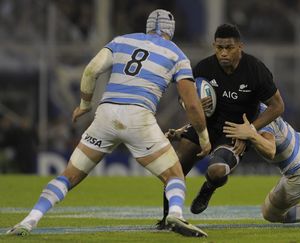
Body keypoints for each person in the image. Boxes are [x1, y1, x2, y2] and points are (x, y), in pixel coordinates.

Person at [7, 9, 210, 237]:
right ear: (171, 30)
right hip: (138, 118)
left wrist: (84, 105)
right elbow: (192, 105)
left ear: (148, 26)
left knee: (68, 176)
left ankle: (29, 220)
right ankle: (175, 214)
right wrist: (203, 137)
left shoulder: (121, 40)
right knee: (173, 176)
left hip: (105, 115)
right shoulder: (177, 54)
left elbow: (92, 70)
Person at [157, 23, 284, 228]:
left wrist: (249, 131)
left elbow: (277, 106)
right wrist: (193, 104)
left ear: (240, 47)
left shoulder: (255, 70)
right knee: (176, 169)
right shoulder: (204, 67)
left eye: (229, 48)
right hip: (205, 126)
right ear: (214, 46)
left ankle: (208, 188)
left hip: (234, 131)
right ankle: (167, 219)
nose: (223, 53)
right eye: (219, 48)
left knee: (216, 172)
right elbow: (184, 100)